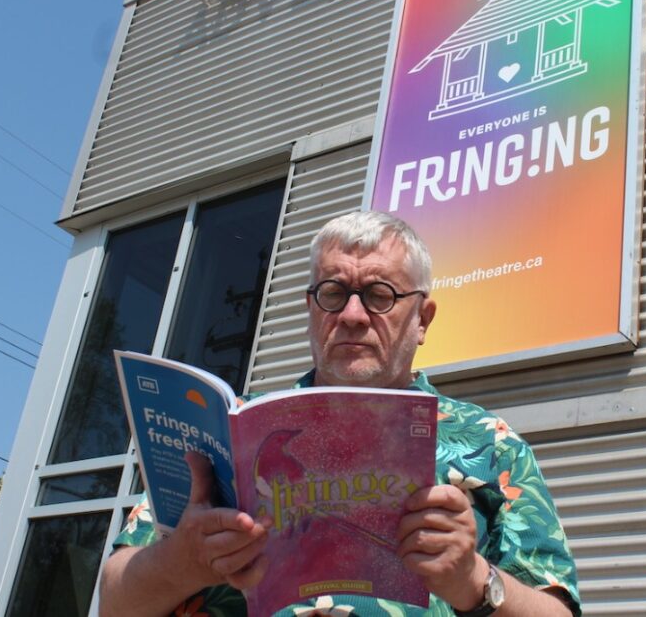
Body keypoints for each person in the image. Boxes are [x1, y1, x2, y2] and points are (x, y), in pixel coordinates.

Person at [100, 211, 580, 616]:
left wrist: (475, 578)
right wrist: (182, 561)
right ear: (312, 308)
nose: (352, 315)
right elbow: (113, 601)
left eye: (379, 295)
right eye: (333, 293)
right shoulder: (228, 436)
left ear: (423, 320)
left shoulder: (490, 443)